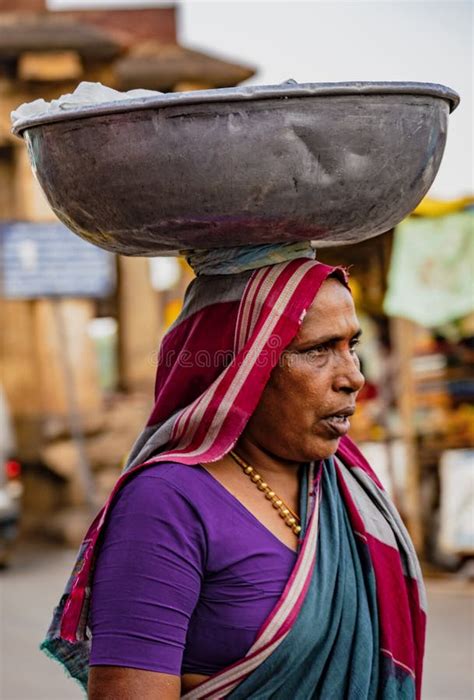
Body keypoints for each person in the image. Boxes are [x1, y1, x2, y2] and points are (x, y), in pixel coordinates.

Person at [40, 245, 426, 699]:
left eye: (351, 346)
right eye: (319, 350)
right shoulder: (166, 503)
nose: (352, 376)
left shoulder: (348, 488)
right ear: (241, 367)